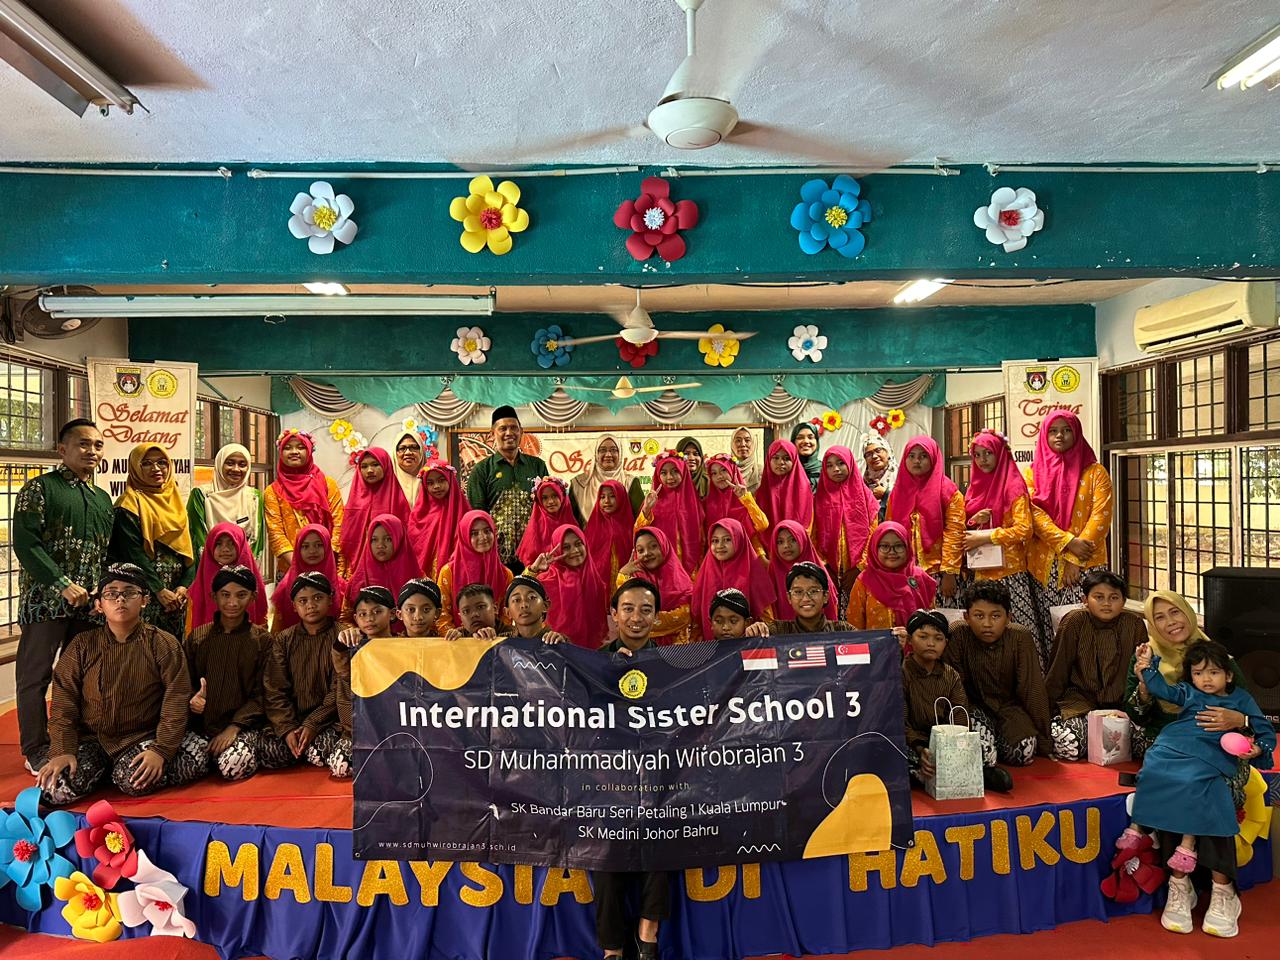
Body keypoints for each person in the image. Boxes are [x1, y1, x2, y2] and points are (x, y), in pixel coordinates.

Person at [1125, 639, 1275, 937]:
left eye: (1213, 672)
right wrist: (1146, 666)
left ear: (1228, 675)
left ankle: (1222, 890)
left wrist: (1257, 747)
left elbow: (1265, 730)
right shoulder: (1188, 692)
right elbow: (1161, 689)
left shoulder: (1241, 698)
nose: (1206, 679)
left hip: (1212, 751)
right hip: (1177, 743)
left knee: (1198, 782)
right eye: (1198, 673)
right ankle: (1176, 880)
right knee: (1155, 767)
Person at [37, 563, 208, 805]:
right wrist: (62, 751)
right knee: (52, 790)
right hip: (94, 739)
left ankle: (179, 751)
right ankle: (103, 770)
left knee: (133, 781)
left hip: (143, 736)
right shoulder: (81, 646)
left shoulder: (163, 644)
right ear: (99, 604)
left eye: (129, 592)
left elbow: (176, 700)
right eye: (111, 593)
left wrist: (161, 750)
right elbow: (64, 704)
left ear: (145, 600)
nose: (120, 599)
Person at [13, 418, 114, 776]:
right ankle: (35, 748)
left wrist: (103, 593)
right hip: (45, 603)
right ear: (62, 449)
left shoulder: (102, 500)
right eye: (83, 444)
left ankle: (74, 739)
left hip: (88, 609)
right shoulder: (39, 489)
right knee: (34, 677)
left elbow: (105, 554)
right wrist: (61, 583)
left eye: (98, 445)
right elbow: (26, 544)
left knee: (79, 677)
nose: (92, 451)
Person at [594, 578, 669, 960]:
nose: (636, 617)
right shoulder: (591, 663)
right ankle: (612, 950)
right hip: (607, 782)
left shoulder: (673, 664)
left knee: (663, 845)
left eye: (645, 610)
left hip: (658, 781)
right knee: (605, 860)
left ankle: (647, 937)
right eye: (628, 609)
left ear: (656, 617)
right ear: (614, 614)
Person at [1124, 590, 1251, 758]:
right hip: (1164, 743)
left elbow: (1248, 708)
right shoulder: (1145, 657)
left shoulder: (1215, 654)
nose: (1171, 622)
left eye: (1175, 612)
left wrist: (1240, 719)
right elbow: (1136, 717)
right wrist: (1144, 686)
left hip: (1214, 741)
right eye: (1159, 617)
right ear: (1152, 624)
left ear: (1188, 612)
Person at [901, 609, 1014, 793]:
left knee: (983, 740)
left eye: (938, 638)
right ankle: (940, 773)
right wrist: (921, 749)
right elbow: (900, 722)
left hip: (947, 740)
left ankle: (981, 771)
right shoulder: (901, 673)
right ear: (909, 640)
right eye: (923, 637)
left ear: (946, 643)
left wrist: (954, 745)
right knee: (896, 754)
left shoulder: (950, 675)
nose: (931, 643)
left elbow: (960, 713)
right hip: (915, 742)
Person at [1026, 411, 1113, 645]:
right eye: (1053, 431)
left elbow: (1101, 517)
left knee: (1084, 629)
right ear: (1044, 436)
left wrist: (1074, 558)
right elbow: (1033, 515)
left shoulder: (1096, 473)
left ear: (1076, 434)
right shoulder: (1032, 473)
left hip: (1085, 562)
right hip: (1043, 565)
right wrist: (1067, 542)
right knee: (1048, 629)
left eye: (1066, 430)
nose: (1060, 436)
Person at [944, 580, 1052, 766]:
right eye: (979, 616)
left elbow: (1032, 689)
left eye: (995, 616)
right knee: (981, 756)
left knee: (1023, 753)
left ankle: (998, 741)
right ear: (966, 617)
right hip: (972, 708)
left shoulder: (1020, 637)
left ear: (1009, 617)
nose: (987, 624)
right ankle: (990, 744)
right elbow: (954, 688)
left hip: (1009, 708)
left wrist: (1045, 740)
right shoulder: (958, 634)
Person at [1044, 570, 1146, 761]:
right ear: (1085, 599)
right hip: (1080, 703)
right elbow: (1058, 669)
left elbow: (1139, 673)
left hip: (1121, 705)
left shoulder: (1134, 624)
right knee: (1069, 744)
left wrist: (1133, 710)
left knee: (1145, 744)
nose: (1106, 603)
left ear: (1124, 601)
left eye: (1114, 598)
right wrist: (1045, 713)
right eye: (1098, 597)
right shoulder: (1075, 620)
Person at [185, 565, 273, 781]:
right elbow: (182, 683)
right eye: (225, 595)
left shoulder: (263, 641)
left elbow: (265, 692)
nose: (232, 603)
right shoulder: (198, 637)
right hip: (202, 727)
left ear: (253, 597)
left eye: (241, 595)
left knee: (233, 766)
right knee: (181, 769)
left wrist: (234, 727)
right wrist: (192, 700)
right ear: (214, 597)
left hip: (244, 728)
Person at [960, 430, 1041, 660]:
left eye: (988, 453)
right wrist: (974, 521)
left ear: (1000, 454)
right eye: (977, 455)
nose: (982, 459)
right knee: (983, 636)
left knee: (1018, 634)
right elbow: (966, 525)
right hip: (980, 573)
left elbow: (1025, 529)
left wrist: (988, 536)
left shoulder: (1014, 487)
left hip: (1010, 574)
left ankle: (1027, 680)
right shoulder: (975, 487)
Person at [260, 571, 345, 772]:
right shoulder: (284, 639)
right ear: (294, 606)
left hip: (330, 720)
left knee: (318, 753)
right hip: (294, 719)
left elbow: (340, 690)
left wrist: (313, 724)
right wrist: (287, 728)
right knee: (271, 753)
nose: (311, 605)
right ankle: (296, 742)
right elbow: (274, 689)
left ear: (330, 599)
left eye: (318, 598)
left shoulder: (342, 636)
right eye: (303, 600)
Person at [109, 444, 197, 638]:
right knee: (142, 648)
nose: (156, 469)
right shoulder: (128, 504)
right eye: (147, 463)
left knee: (172, 648)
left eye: (162, 462)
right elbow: (133, 554)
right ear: (135, 468)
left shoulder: (177, 504)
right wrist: (159, 590)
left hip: (176, 597)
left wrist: (184, 586)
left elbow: (190, 549)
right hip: (143, 594)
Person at [464, 406, 549, 574]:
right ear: (492, 434)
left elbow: (547, 509)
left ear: (521, 431)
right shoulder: (482, 470)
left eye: (514, 428)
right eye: (503, 428)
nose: (509, 433)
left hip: (533, 554)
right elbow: (476, 516)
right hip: (496, 555)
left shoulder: (537, 465)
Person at [331, 585, 401, 780]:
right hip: (364, 729)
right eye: (362, 614)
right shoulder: (352, 647)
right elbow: (344, 672)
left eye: (377, 612)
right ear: (355, 619)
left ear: (392, 614)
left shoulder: (405, 644)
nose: (369, 618)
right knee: (341, 767)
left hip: (399, 725)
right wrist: (341, 644)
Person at [886, 436, 964, 605]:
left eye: (923, 456)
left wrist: (949, 572)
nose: (917, 461)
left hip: (939, 572)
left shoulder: (949, 492)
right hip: (904, 572)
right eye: (911, 456)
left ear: (933, 458)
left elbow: (955, 532)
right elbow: (890, 533)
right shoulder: (898, 493)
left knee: (942, 618)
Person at [264, 429, 345, 578]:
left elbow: (339, 524)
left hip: (327, 565)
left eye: (301, 447)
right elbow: (276, 534)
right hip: (290, 569)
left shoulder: (328, 485)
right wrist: (299, 566)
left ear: (309, 451)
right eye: (288, 448)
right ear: (280, 452)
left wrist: (325, 561)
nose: (294, 452)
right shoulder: (272, 491)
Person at [692, 519, 776, 641]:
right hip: (712, 648)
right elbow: (697, 619)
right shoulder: (704, 573)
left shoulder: (755, 574)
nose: (720, 545)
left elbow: (766, 619)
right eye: (715, 540)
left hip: (749, 646)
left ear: (739, 540)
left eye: (727, 539)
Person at [813, 445, 879, 598]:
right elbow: (813, 536)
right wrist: (825, 567)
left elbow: (874, 534)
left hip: (862, 572)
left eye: (841, 463)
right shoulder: (818, 500)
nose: (836, 469)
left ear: (850, 463)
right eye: (829, 465)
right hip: (828, 573)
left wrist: (860, 567)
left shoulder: (866, 497)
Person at [527, 524, 608, 648]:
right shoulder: (545, 580)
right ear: (557, 551)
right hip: (554, 649)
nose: (574, 551)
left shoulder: (595, 579)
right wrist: (533, 569)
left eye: (578, 544)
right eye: (566, 547)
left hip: (591, 651)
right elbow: (518, 598)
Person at [846, 522, 937, 630]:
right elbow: (855, 624)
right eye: (885, 546)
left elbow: (932, 622)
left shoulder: (920, 577)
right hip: (876, 641)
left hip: (916, 641)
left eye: (898, 546)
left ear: (907, 546)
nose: (892, 552)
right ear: (874, 548)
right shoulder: (864, 581)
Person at [187, 443, 264, 566]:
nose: (236, 469)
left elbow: (257, 539)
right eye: (230, 463)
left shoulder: (254, 497)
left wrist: (241, 569)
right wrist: (218, 569)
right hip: (209, 567)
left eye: (242, 465)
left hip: (243, 569)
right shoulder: (201, 495)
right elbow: (198, 537)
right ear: (219, 464)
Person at [437, 511, 513, 632]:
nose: (483, 537)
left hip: (495, 639)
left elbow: (507, 614)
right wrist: (460, 637)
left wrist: (495, 636)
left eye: (487, 531)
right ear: (464, 536)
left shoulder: (505, 574)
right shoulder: (448, 572)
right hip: (457, 640)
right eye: (474, 533)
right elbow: (442, 614)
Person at [617, 528, 694, 645]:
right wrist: (623, 577)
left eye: (653, 546)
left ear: (664, 547)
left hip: (676, 648)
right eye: (640, 550)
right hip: (640, 647)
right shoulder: (632, 579)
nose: (647, 553)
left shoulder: (681, 580)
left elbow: (684, 617)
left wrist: (644, 619)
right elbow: (627, 616)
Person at [340, 448, 410, 575]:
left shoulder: (397, 499)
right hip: (357, 567)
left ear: (385, 465)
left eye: (375, 464)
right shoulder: (354, 500)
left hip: (392, 568)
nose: (370, 470)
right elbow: (347, 538)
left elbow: (406, 538)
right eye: (364, 466)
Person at [187, 522, 268, 630]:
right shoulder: (198, 587)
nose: (225, 549)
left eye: (232, 543)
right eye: (218, 543)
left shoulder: (255, 584)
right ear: (210, 545)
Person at [634, 452, 704, 575]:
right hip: (660, 566)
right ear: (657, 475)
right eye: (663, 473)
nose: (670, 477)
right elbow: (639, 534)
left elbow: (702, 534)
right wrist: (646, 510)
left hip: (692, 566)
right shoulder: (651, 502)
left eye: (675, 471)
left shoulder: (693, 501)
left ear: (683, 472)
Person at [342, 514, 421, 622]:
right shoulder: (357, 580)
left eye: (388, 539)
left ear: (399, 539)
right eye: (374, 540)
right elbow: (346, 619)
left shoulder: (417, 579)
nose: (380, 545)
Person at [269, 524, 346, 631]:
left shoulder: (341, 586)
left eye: (319, 545)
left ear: (327, 547)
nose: (312, 551)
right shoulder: (286, 586)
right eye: (305, 546)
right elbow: (278, 628)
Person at [407, 458, 469, 580]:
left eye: (441, 480)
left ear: (450, 480)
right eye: (430, 483)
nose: (436, 486)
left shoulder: (463, 511)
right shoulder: (418, 515)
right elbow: (414, 548)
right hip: (425, 579)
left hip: (454, 575)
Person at [767, 521, 838, 623]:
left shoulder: (818, 571)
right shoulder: (772, 572)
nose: (787, 545)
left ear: (803, 540)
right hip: (782, 631)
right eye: (780, 542)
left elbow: (830, 611)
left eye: (793, 540)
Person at [702, 454, 769, 556]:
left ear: (733, 471)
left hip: (744, 555)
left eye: (723, 470)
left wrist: (746, 499)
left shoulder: (745, 500)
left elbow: (763, 525)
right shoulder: (707, 504)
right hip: (718, 557)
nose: (719, 476)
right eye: (714, 473)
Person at [570, 435, 644, 520]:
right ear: (596, 454)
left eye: (613, 450)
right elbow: (570, 518)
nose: (608, 455)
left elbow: (641, 519)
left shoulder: (630, 482)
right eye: (603, 450)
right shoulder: (579, 483)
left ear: (620, 454)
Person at [770, 562, 855, 635]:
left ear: (825, 596)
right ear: (789, 597)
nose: (806, 599)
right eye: (798, 592)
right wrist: (761, 630)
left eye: (813, 591)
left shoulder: (844, 631)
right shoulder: (777, 631)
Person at [584, 479, 636, 588]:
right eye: (602, 497)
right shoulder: (593, 526)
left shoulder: (630, 527)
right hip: (598, 585)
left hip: (625, 584)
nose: (607, 501)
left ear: (621, 498)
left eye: (612, 496)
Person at [517, 476, 576, 568]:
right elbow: (530, 565)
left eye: (554, 496)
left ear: (562, 496)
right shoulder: (535, 529)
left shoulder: (572, 524)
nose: (550, 501)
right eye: (545, 498)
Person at [756, 438, 814, 530]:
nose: (780, 462)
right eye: (776, 458)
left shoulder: (804, 488)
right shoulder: (762, 489)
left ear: (794, 460)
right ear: (768, 459)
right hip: (766, 538)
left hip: (797, 536)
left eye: (787, 458)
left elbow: (808, 522)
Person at [500, 577, 569, 643]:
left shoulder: (556, 640)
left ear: (545, 605)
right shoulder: (500, 642)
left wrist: (562, 646)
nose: (524, 605)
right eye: (516, 600)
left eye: (532, 597)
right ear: (507, 612)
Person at [862, 436, 896, 521]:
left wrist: (886, 494)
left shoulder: (900, 475)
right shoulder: (862, 481)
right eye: (868, 454)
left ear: (888, 452)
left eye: (878, 450)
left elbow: (908, 503)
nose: (874, 456)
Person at [392, 430, 427, 508]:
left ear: (421, 450)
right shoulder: (388, 481)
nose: (408, 452)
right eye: (402, 448)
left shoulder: (432, 478)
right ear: (395, 452)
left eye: (413, 447)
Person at [790, 422, 823, 492]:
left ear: (817, 441)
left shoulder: (826, 470)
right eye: (800, 438)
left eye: (810, 437)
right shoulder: (788, 470)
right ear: (793, 442)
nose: (806, 441)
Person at [731, 427, 762, 493]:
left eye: (747, 440)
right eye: (738, 440)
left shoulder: (762, 471)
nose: (743, 444)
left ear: (753, 444)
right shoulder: (725, 470)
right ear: (732, 445)